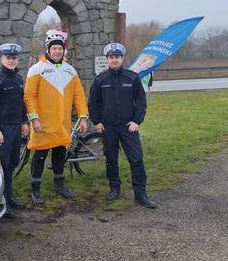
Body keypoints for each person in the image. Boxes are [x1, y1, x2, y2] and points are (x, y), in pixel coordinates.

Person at [88, 43, 157, 208]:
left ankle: (140, 194)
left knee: (136, 159)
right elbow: (92, 103)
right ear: (107, 59)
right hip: (108, 127)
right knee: (111, 159)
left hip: (128, 126)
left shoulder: (131, 78)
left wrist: (136, 121)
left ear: (121, 58)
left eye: (117, 57)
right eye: (111, 57)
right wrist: (97, 122)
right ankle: (114, 189)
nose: (114, 60)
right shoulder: (100, 80)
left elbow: (141, 101)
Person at [24, 30, 88, 205]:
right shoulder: (36, 69)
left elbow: (79, 96)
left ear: (63, 50)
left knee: (59, 155)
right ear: (48, 49)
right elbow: (29, 97)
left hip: (62, 124)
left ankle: (59, 185)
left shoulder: (70, 70)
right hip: (42, 124)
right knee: (40, 156)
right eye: (54, 48)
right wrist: (34, 119)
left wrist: (83, 117)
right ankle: (35, 190)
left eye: (60, 48)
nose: (58, 51)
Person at [0, 43, 29, 217]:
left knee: (11, 164)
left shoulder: (18, 79)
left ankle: (9, 197)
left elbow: (21, 104)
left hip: (16, 128)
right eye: (8, 58)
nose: (11, 61)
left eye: (14, 58)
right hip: (3, 130)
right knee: (2, 166)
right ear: (2, 59)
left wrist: (24, 122)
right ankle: (1, 202)